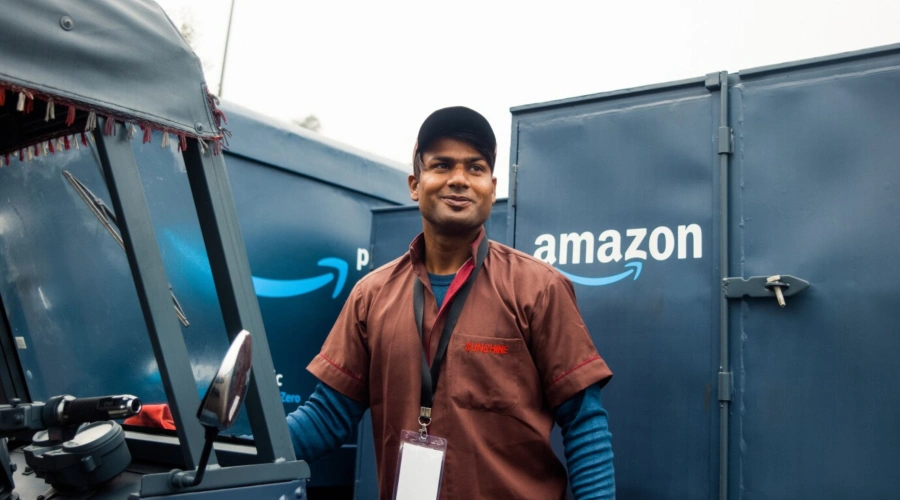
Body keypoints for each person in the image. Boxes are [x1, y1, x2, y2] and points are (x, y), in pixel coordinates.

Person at [287, 106, 615, 499]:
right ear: (415, 184)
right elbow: (327, 417)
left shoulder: (539, 289)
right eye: (442, 165)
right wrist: (247, 452)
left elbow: (584, 423)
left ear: (491, 187)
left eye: (475, 168)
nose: (459, 179)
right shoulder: (370, 297)